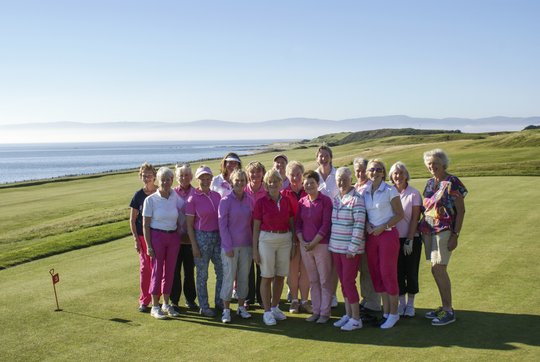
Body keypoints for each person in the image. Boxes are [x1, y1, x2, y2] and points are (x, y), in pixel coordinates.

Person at [419, 149, 467, 326]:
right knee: (434, 269)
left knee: (440, 268)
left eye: (435, 163)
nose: (432, 166)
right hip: (429, 230)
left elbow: (461, 210)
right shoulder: (431, 183)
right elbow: (426, 207)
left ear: (443, 164)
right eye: (429, 164)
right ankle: (444, 306)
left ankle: (448, 310)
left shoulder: (452, 181)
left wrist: (456, 234)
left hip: (445, 230)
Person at [364, 159, 404, 329]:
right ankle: (386, 312)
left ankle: (394, 314)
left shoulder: (390, 189)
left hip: (387, 235)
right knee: (376, 274)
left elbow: (399, 214)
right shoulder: (364, 191)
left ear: (383, 172)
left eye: (379, 170)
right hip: (372, 236)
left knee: (388, 273)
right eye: (372, 169)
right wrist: (367, 225)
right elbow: (364, 213)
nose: (375, 172)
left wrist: (384, 226)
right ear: (367, 172)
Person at [253, 170, 295, 326]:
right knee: (267, 276)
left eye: (276, 181)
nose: (273, 184)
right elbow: (256, 228)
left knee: (280, 276)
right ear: (265, 184)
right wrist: (255, 249)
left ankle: (275, 307)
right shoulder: (260, 202)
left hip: (285, 239)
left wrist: (294, 243)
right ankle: (267, 311)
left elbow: (291, 222)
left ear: (280, 183)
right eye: (270, 182)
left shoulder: (286, 200)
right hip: (266, 239)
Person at [142, 167, 184, 319]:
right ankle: (155, 306)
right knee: (157, 271)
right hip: (157, 237)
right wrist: (149, 245)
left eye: (168, 179)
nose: (165, 182)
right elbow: (145, 225)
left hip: (173, 237)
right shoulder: (150, 200)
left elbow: (185, 207)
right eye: (163, 180)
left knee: (170, 271)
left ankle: (166, 304)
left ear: (172, 181)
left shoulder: (175, 196)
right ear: (158, 181)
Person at [329, 167, 366, 331]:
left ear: (350, 180)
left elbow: (359, 225)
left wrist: (353, 247)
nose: (341, 182)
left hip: (349, 250)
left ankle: (356, 319)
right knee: (343, 283)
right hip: (336, 247)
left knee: (349, 283)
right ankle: (349, 315)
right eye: (338, 179)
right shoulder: (337, 198)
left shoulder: (357, 199)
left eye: (344, 179)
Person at [186, 165, 224, 317]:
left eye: (208, 178)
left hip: (217, 236)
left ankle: (220, 302)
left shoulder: (217, 196)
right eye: (202, 178)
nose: (205, 180)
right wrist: (194, 245)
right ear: (198, 179)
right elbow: (189, 225)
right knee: (202, 274)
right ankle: (204, 306)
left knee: (221, 271)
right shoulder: (192, 199)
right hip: (201, 237)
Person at [296, 170, 333, 323]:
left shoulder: (325, 201)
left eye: (312, 182)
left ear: (318, 184)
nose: (309, 185)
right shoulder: (302, 202)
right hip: (305, 246)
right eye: (307, 183)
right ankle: (316, 311)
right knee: (313, 280)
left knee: (324, 280)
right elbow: (297, 224)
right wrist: (302, 241)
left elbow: (325, 225)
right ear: (303, 185)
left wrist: (313, 242)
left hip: (321, 245)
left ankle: (325, 312)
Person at [218, 169, 253, 323]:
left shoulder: (250, 200)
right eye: (237, 180)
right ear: (231, 182)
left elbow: (252, 223)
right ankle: (226, 310)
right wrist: (227, 246)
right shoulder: (225, 201)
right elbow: (222, 226)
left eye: (242, 180)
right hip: (230, 247)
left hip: (247, 245)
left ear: (246, 182)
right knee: (229, 277)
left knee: (244, 277)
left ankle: (241, 307)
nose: (240, 183)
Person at [389, 161, 422, 317]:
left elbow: (415, 218)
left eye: (401, 173)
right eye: (395, 173)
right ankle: (401, 304)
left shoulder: (414, 193)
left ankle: (410, 304)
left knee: (411, 272)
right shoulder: (389, 192)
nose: (398, 176)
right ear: (391, 176)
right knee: (398, 272)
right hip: (393, 240)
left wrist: (409, 239)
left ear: (406, 175)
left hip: (411, 239)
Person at [353, 157, 382, 315]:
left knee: (368, 270)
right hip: (356, 236)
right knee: (361, 270)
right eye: (357, 170)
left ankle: (373, 302)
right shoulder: (356, 187)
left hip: (369, 235)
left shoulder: (371, 187)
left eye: (363, 170)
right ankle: (366, 299)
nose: (360, 173)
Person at [281, 160, 311, 314]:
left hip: (307, 238)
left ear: (302, 175)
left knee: (305, 270)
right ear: (287, 176)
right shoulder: (283, 194)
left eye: (298, 174)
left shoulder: (309, 191)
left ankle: (305, 301)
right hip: (290, 239)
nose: (295, 178)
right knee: (293, 270)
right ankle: (294, 301)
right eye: (292, 175)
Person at [129, 162, 157, 313]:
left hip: (158, 235)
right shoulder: (138, 195)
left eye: (149, 175)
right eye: (144, 175)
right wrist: (135, 239)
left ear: (154, 176)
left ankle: (157, 299)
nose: (146, 178)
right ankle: (144, 300)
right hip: (142, 237)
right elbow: (132, 220)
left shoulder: (161, 192)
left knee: (159, 268)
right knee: (145, 269)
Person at [170, 163, 198, 311]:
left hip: (190, 240)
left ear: (191, 176)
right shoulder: (172, 193)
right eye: (181, 175)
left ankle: (190, 300)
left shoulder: (196, 192)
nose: (184, 177)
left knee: (189, 272)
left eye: (187, 175)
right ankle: (174, 300)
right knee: (175, 272)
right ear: (177, 177)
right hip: (174, 240)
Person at [315, 144, 340, 308]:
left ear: (331, 157)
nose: (323, 158)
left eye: (326, 155)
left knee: (334, 262)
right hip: (317, 225)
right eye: (320, 156)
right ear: (317, 158)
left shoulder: (338, 174)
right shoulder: (313, 176)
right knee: (321, 263)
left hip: (338, 223)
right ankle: (322, 294)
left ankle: (332, 294)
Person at [245, 161, 267, 308]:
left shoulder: (266, 191)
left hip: (263, 235)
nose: (255, 175)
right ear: (248, 174)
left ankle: (261, 297)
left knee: (261, 266)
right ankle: (248, 298)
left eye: (258, 172)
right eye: (252, 172)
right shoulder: (242, 190)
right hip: (245, 234)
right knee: (247, 268)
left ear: (263, 174)